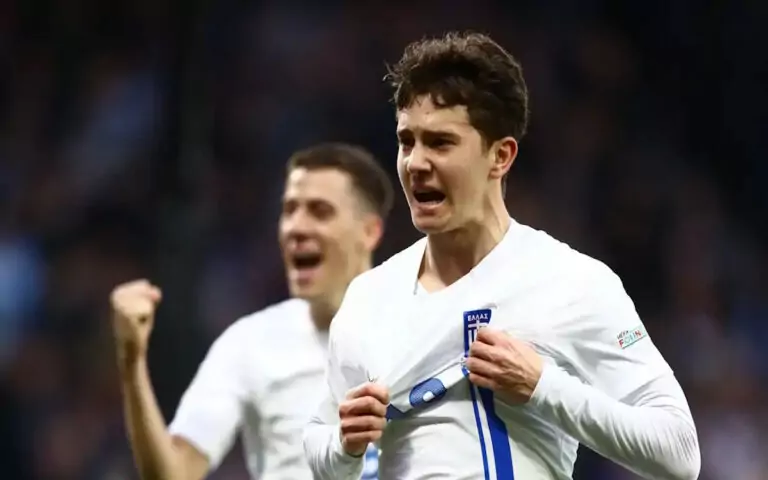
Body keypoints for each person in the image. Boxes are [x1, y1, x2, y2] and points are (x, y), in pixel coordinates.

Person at [303, 32, 701, 480]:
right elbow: (320, 442)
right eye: (406, 141)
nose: (415, 163)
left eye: (440, 142)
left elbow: (678, 451)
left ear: (500, 156)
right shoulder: (369, 298)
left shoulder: (572, 283)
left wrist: (543, 387)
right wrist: (344, 444)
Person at [110, 143, 394, 480]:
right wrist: (132, 360)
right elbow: (174, 474)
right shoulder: (249, 344)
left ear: (369, 231)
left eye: (320, 211)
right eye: (289, 210)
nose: (296, 227)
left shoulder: (424, 330)